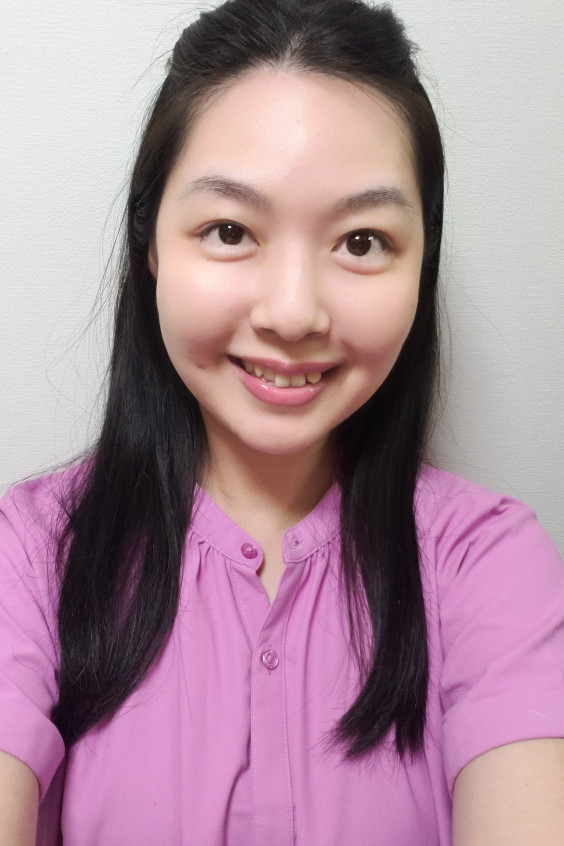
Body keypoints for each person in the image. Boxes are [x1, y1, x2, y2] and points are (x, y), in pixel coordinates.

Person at [1, 0, 563, 843]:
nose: (294, 313)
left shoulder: (487, 562)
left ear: (422, 263)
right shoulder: (31, 556)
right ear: (151, 245)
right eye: (230, 230)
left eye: (362, 242)